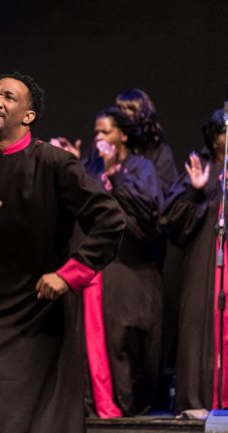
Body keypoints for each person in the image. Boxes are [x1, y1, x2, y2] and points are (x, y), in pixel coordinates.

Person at [0, 72, 126, 433]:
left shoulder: (55, 163)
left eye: (8, 97)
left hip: (42, 316)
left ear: (28, 115)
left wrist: (69, 274)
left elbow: (110, 220)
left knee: (46, 422)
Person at [81, 107, 163, 417]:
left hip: (131, 264)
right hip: (99, 264)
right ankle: (98, 405)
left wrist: (114, 172)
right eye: (96, 132)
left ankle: (127, 405)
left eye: (105, 131)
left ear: (123, 135)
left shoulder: (141, 167)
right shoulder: (91, 166)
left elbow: (149, 210)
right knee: (94, 338)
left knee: (123, 337)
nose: (98, 137)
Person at [160, 109, 227, 417]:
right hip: (205, 264)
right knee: (199, 326)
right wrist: (195, 192)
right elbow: (172, 224)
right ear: (214, 139)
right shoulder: (201, 169)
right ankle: (199, 399)